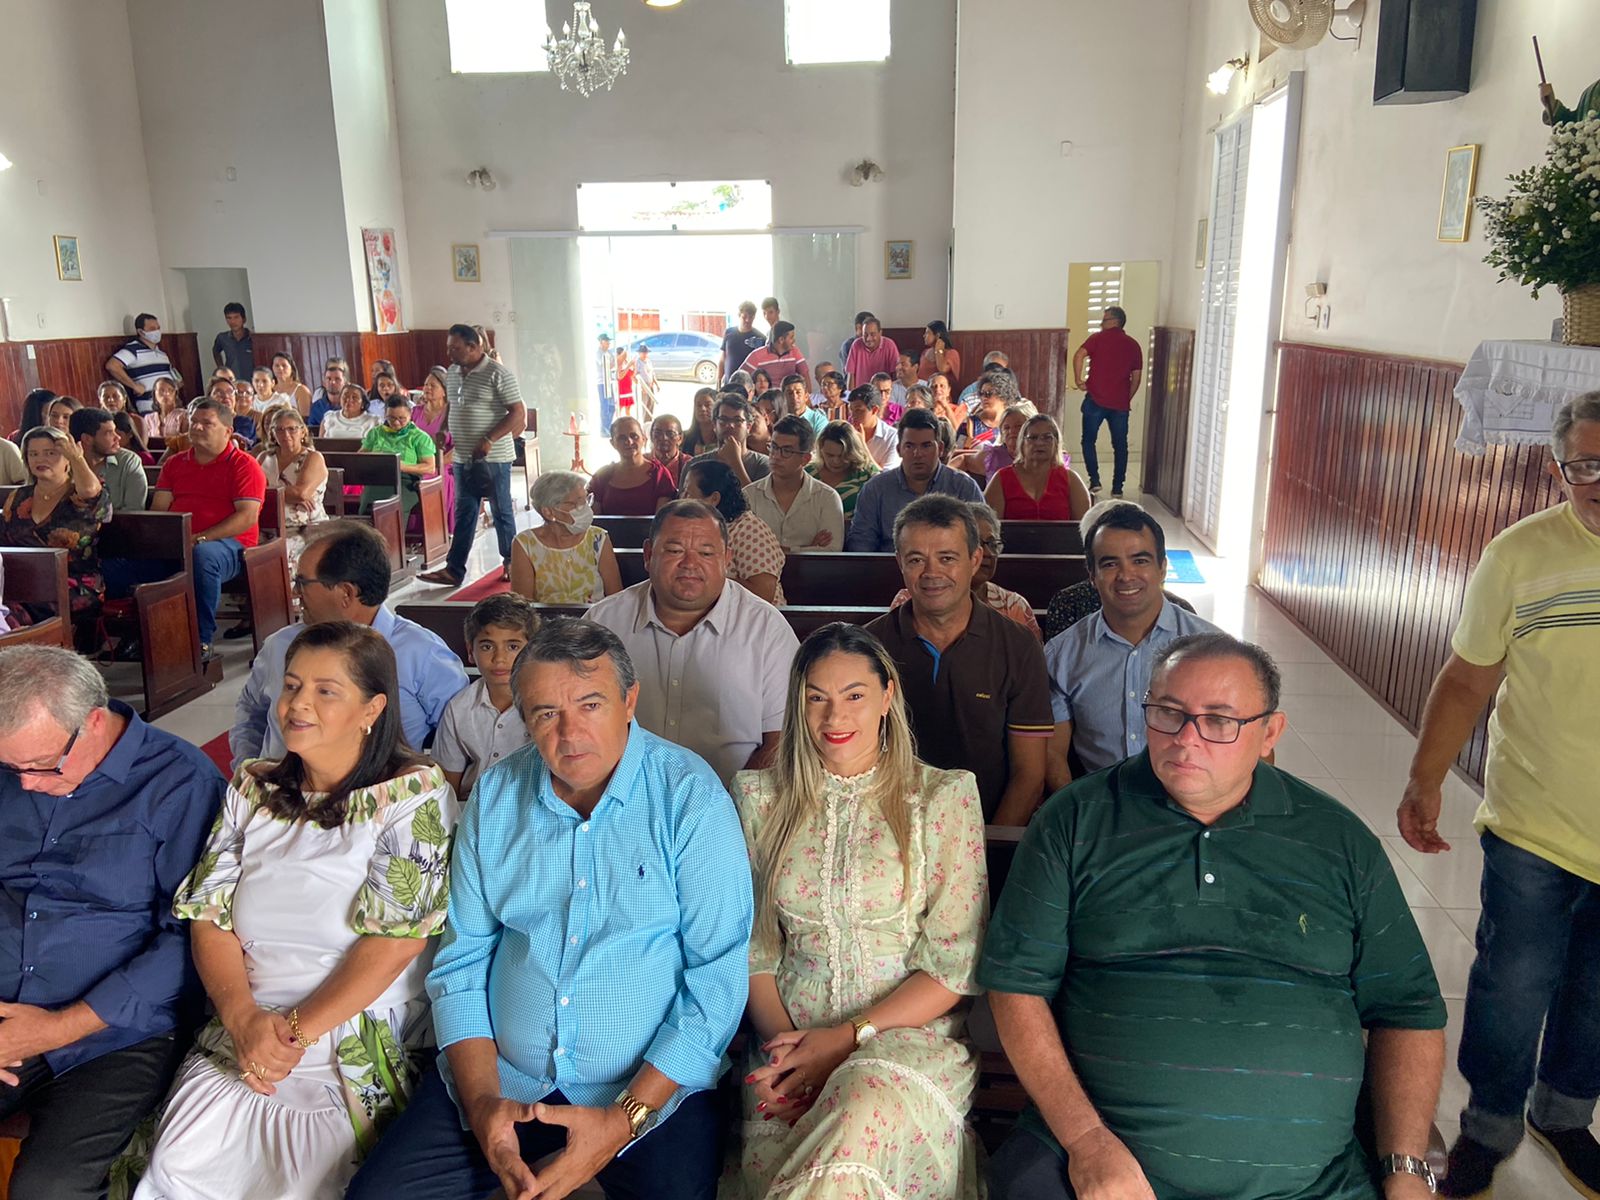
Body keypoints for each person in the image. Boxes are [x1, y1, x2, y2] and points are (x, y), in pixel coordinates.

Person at [981, 633, 1447, 1200]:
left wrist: (1405, 1167)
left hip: (1315, 1183)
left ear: (1269, 733)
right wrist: (1086, 1140)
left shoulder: (1339, 842)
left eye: (1220, 721)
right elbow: (1017, 986)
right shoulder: (1074, 822)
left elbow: (1407, 1009)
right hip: (1104, 1168)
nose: (1186, 739)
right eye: (1167, 713)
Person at [346, 619, 753, 1200]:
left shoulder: (689, 795)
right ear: (522, 718)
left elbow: (716, 980)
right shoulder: (497, 794)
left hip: (648, 1090)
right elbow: (462, 963)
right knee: (378, 1195)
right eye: (545, 713)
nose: (570, 733)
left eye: (591, 704)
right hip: (506, 1079)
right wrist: (483, 1104)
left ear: (629, 700)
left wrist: (621, 1121)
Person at [137, 622, 458, 1200]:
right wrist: (242, 1021)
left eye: (325, 691)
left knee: (309, 1180)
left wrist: (291, 1035)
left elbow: (396, 941)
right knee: (178, 1168)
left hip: (350, 1033)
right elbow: (210, 915)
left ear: (372, 709)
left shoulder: (411, 793)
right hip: (245, 1024)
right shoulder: (253, 788)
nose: (297, 704)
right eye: (291, 686)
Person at [1398, 392, 1600, 1197]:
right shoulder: (1519, 555)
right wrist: (1425, 779)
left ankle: (1565, 1115)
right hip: (1535, 822)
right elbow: (1467, 679)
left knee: (1595, 992)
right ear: (1558, 468)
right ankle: (1487, 1127)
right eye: (1586, 465)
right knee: (1512, 987)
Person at [730, 622, 988, 1198]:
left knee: (857, 1116)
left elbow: (954, 965)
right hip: (786, 1038)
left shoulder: (941, 797)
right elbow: (753, 950)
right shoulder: (759, 798)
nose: (834, 717)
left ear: (887, 695)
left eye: (854, 695)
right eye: (816, 698)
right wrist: (794, 1057)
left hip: (907, 1038)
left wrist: (846, 1040)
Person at [0, 646, 224, 1200]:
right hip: (6, 1014)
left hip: (117, 1033)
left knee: (49, 1189)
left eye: (41, 765)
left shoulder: (181, 783)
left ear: (94, 722)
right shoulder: (17, 764)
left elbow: (191, 938)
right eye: (12, 769)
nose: (26, 784)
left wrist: (58, 1028)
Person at [866, 495, 1051, 824]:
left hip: (987, 827)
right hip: (888, 828)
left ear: (975, 559)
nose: (932, 573)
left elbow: (1029, 774)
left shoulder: (1018, 645)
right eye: (916, 560)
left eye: (947, 558)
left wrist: (985, 844)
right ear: (900, 562)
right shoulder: (869, 646)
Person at [585, 499, 798, 785]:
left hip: (731, 799)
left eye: (706, 553)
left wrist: (728, 800)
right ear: (648, 555)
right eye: (674, 551)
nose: (690, 564)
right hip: (620, 794)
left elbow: (782, 739)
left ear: (727, 559)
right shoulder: (603, 622)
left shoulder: (766, 629)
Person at [231, 522, 467, 768]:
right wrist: (249, 768)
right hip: (280, 788)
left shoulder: (421, 654)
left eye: (302, 582)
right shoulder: (280, 645)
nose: (294, 592)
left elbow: (462, 734)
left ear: (346, 593)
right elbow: (250, 712)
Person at [1043, 502, 1218, 791]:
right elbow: (1053, 756)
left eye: (1140, 561)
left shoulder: (1212, 648)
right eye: (1110, 564)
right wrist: (1080, 809)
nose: (1126, 576)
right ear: (1092, 575)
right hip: (1101, 803)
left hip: (1193, 802)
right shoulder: (1062, 655)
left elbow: (1249, 748)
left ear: (1163, 568)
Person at [420, 324, 525, 588]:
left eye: (455, 348)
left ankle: (512, 562)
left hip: (494, 457)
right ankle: (454, 570)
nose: (450, 353)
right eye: (448, 348)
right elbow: (452, 405)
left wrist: (489, 440)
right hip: (463, 457)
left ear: (473, 347)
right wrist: (444, 429)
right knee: (465, 512)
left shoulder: (498, 373)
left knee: (501, 510)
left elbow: (517, 413)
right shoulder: (453, 372)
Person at [1, 424, 111, 620]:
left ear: (67, 458)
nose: (40, 459)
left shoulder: (82, 494)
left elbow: (90, 492)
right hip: (22, 581)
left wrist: (77, 458)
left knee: (15, 609)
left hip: (73, 583)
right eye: (33, 454)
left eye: (50, 453)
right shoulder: (18, 496)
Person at [432, 594, 538, 797]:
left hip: (531, 804)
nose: (499, 658)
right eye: (487, 646)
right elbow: (447, 788)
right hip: (473, 803)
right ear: (470, 652)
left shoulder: (549, 704)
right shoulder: (459, 709)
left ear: (532, 650)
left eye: (513, 647)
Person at [890, 502, 1040, 639]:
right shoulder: (909, 600)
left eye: (992, 543)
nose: (987, 552)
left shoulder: (1013, 606)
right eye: (976, 543)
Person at [846, 409, 984, 552]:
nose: (918, 454)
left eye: (926, 446)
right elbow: (861, 545)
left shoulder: (963, 487)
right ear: (899, 449)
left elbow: (981, 540)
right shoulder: (875, 489)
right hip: (890, 564)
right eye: (909, 446)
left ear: (940, 448)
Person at [682, 459, 787, 606]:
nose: (681, 500)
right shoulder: (698, 528)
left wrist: (707, 580)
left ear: (714, 499)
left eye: (688, 494)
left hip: (751, 616)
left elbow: (763, 593)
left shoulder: (749, 530)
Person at [509, 470, 623, 603]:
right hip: (544, 617)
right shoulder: (525, 543)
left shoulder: (597, 538)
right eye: (575, 503)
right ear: (548, 512)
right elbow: (523, 605)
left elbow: (616, 598)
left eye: (585, 500)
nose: (584, 508)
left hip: (595, 615)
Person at [743, 414, 845, 554]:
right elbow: (742, 548)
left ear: (805, 459)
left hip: (810, 569)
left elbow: (832, 550)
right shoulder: (749, 495)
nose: (776, 456)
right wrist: (806, 549)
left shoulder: (826, 497)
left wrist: (782, 550)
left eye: (787, 451)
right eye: (774, 447)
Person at [1072, 305, 1144, 499]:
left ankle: (1094, 481)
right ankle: (1118, 487)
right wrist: (1126, 397)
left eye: (1104, 320)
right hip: (1120, 404)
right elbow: (1137, 377)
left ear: (1114, 321)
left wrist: (1078, 380)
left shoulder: (1097, 339)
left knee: (1088, 440)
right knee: (1120, 445)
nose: (1101, 324)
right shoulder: (1133, 345)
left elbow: (1079, 355)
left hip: (1095, 399)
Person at [258, 408, 329, 573]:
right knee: (245, 549)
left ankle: (291, 589)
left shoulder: (313, 457)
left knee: (283, 551)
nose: (286, 435)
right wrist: (289, 494)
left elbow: (301, 493)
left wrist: (265, 493)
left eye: (292, 429)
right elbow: (249, 491)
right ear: (272, 433)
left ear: (303, 431)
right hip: (266, 525)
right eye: (279, 429)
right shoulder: (264, 457)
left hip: (304, 527)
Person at [986, 415, 1090, 521]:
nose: (1039, 443)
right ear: (1022, 443)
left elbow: (1085, 527)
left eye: (1047, 438)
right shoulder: (1001, 479)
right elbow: (989, 526)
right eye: (1032, 438)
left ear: (1056, 443)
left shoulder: (1071, 480)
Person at [359, 392, 438, 523]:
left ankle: (392, 535)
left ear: (410, 415)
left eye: (401, 418)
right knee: (369, 507)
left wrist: (402, 466)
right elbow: (361, 456)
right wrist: (374, 458)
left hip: (406, 481)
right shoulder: (376, 433)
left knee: (393, 508)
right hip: (377, 479)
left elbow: (430, 467)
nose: (396, 423)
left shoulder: (419, 437)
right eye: (391, 418)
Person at [588, 416, 677, 515]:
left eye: (634, 436)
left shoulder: (660, 475)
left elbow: (662, 519)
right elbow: (596, 519)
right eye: (622, 438)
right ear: (612, 443)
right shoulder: (602, 476)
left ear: (644, 439)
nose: (629, 442)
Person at [71, 405, 148, 514]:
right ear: (87, 439)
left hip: (119, 524)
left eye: (115, 431)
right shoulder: (63, 462)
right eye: (109, 433)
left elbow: (134, 510)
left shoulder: (129, 461)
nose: (118, 437)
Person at [687, 393, 771, 487]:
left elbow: (755, 497)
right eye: (723, 419)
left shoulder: (764, 464)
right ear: (714, 425)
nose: (730, 425)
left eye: (737, 420)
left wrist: (735, 462)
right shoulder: (694, 465)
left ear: (749, 427)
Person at [807, 420, 879, 522]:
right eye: (829, 455)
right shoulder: (808, 473)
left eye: (843, 456)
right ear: (820, 449)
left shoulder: (866, 472)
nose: (836, 461)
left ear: (853, 452)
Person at [104, 313, 174, 414]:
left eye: (158, 328)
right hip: (149, 406)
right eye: (152, 329)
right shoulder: (133, 349)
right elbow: (112, 366)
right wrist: (134, 386)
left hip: (168, 405)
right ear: (141, 332)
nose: (157, 331)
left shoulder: (161, 353)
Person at [411, 364, 455, 519]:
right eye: (426, 385)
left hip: (443, 464)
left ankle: (433, 523)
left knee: (426, 477)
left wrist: (436, 463)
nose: (427, 388)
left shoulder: (452, 413)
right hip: (417, 461)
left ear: (444, 391)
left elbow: (458, 449)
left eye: (433, 385)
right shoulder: (415, 411)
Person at [952, 400, 1029, 483]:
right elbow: (964, 460)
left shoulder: (1037, 457)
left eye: (1018, 426)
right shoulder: (994, 456)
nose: (1011, 431)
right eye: (1006, 428)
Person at [740, 321, 811, 390]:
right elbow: (739, 378)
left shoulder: (795, 351)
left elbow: (805, 375)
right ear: (781, 340)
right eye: (791, 337)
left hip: (790, 395)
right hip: (767, 396)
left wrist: (807, 395)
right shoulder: (757, 355)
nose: (794, 340)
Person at [848, 383, 900, 470]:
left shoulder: (892, 437)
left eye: (858, 410)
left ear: (874, 410)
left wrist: (862, 446)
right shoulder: (847, 432)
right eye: (851, 410)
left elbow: (886, 475)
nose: (852, 416)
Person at [720, 299, 768, 385]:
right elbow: (722, 359)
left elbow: (763, 365)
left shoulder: (761, 338)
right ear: (739, 315)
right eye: (744, 317)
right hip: (729, 384)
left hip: (749, 386)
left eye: (751, 317)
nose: (747, 320)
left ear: (754, 317)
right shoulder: (728, 333)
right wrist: (718, 380)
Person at [845, 316, 899, 390]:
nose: (868, 338)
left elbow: (895, 374)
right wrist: (851, 395)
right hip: (861, 393)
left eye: (872, 334)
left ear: (880, 333)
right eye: (865, 334)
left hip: (882, 392)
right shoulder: (856, 345)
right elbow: (851, 374)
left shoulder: (889, 345)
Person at [212, 301, 253, 377]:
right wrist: (221, 368)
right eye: (229, 318)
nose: (233, 321)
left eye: (236, 317)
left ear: (244, 319)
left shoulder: (252, 338)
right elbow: (215, 351)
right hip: (232, 379)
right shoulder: (222, 338)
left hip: (250, 379)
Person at [307, 358, 351, 429]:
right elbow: (312, 431)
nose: (332, 382)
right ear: (324, 383)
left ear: (346, 384)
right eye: (328, 379)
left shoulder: (353, 405)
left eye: (337, 379)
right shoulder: (316, 407)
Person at [648, 413, 689, 489]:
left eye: (670, 434)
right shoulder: (642, 462)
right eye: (658, 433)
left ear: (680, 438)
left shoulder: (689, 464)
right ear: (651, 436)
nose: (663, 438)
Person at [272, 352, 316, 420]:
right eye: (277, 365)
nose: (280, 368)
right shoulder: (270, 390)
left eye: (284, 365)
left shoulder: (301, 390)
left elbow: (306, 419)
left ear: (292, 368)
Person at [918, 319, 961, 388]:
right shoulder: (925, 352)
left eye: (927, 333)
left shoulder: (952, 353)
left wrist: (938, 350)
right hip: (924, 389)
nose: (924, 336)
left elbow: (942, 369)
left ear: (937, 335)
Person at [782, 372, 827, 438]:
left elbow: (820, 443)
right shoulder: (780, 419)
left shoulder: (818, 420)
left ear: (806, 396)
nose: (794, 397)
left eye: (798, 392)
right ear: (783, 397)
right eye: (790, 393)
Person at [143, 376, 188, 442]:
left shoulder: (183, 415)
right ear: (155, 394)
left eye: (170, 390)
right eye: (161, 390)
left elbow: (186, 441)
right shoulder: (148, 418)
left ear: (175, 394)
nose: (166, 394)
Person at [682, 386, 719, 458]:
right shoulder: (684, 438)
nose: (702, 409)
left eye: (708, 405)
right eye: (698, 405)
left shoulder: (724, 439)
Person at [595, 332, 617, 431]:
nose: (608, 343)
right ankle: (604, 428)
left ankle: (608, 425)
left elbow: (613, 364)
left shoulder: (609, 352)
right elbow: (606, 365)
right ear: (601, 342)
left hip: (609, 381)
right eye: (606, 341)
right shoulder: (598, 353)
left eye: (608, 342)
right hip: (602, 382)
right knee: (605, 406)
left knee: (612, 406)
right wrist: (616, 362)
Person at [634, 340, 659, 423]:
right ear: (639, 353)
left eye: (646, 352)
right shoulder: (637, 362)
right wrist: (641, 387)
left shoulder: (648, 361)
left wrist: (656, 383)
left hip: (650, 385)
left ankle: (649, 421)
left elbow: (652, 373)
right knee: (644, 405)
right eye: (643, 352)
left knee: (651, 404)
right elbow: (635, 376)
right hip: (643, 386)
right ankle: (644, 422)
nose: (645, 354)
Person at [615, 345, 636, 419]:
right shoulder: (618, 364)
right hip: (622, 390)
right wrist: (628, 366)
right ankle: (618, 423)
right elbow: (620, 376)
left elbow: (632, 374)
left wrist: (634, 365)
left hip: (628, 389)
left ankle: (628, 423)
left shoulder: (626, 362)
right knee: (619, 410)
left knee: (628, 410)